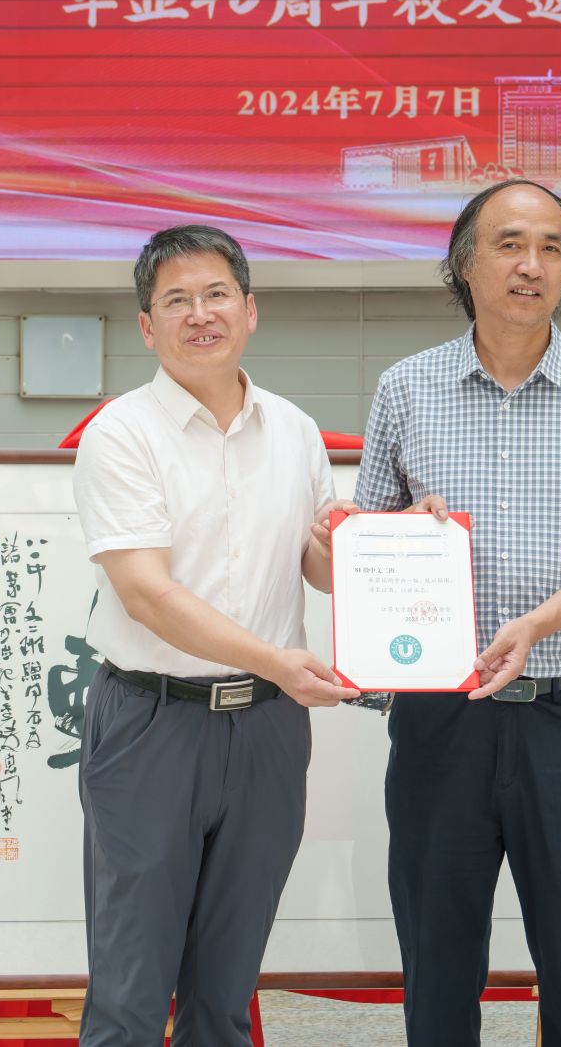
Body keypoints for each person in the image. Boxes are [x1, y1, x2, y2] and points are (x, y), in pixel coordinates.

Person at [355, 180, 561, 1047]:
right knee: (436, 959)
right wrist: (398, 532)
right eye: (509, 243)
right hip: (440, 717)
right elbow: (363, 546)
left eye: (551, 247)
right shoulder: (405, 387)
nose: (531, 264)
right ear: (464, 265)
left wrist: (537, 624)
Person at [72, 224, 357, 1047]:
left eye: (217, 294)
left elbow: (318, 569)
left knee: (227, 990)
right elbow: (148, 595)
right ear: (146, 325)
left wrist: (362, 544)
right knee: (130, 990)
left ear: (249, 309)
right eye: (177, 300)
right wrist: (276, 660)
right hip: (152, 722)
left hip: (268, 728)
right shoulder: (121, 433)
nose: (201, 314)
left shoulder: (295, 429)